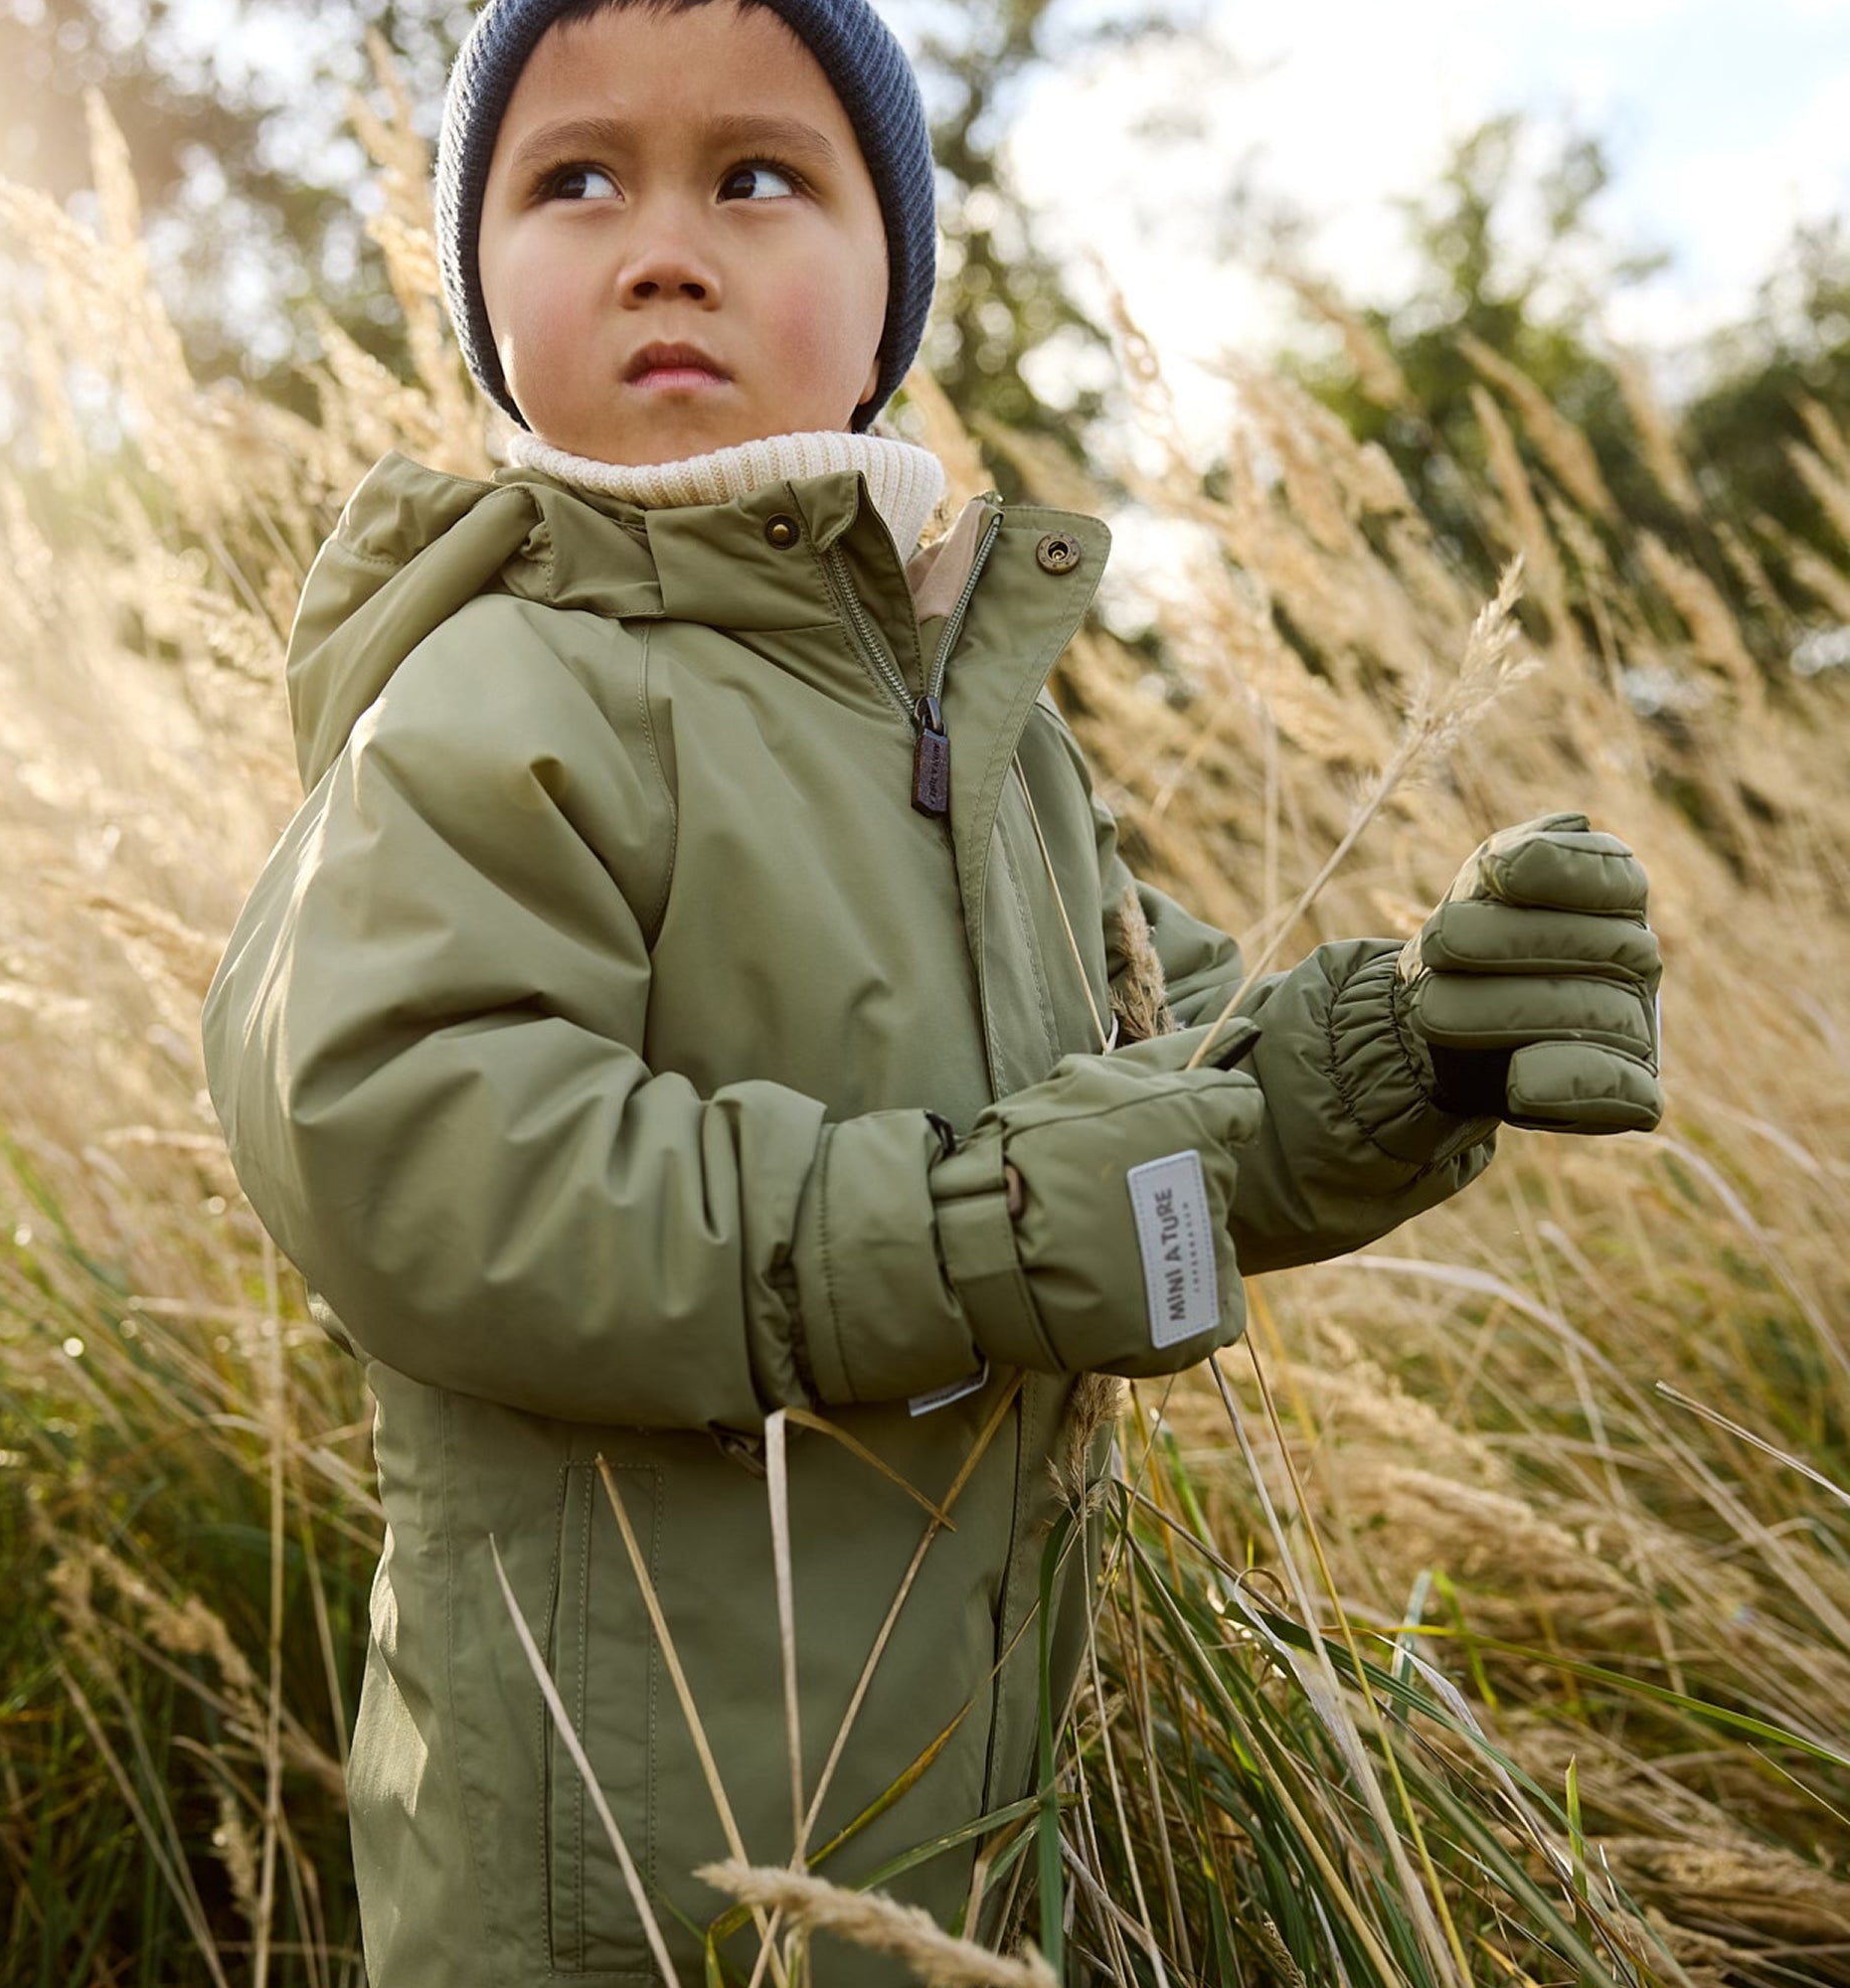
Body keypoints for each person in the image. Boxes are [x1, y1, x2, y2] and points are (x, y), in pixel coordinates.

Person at [199, 0, 1664, 1979]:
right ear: (478, 284)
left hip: (972, 1837)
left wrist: (1415, 1040)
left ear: (892, 284)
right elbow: (413, 1144)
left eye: (757, 176)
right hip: (626, 1880)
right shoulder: (501, 692)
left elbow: (1164, 1087)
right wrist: (969, 1231)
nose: (660, 244)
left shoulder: (975, 725)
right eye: (570, 182)